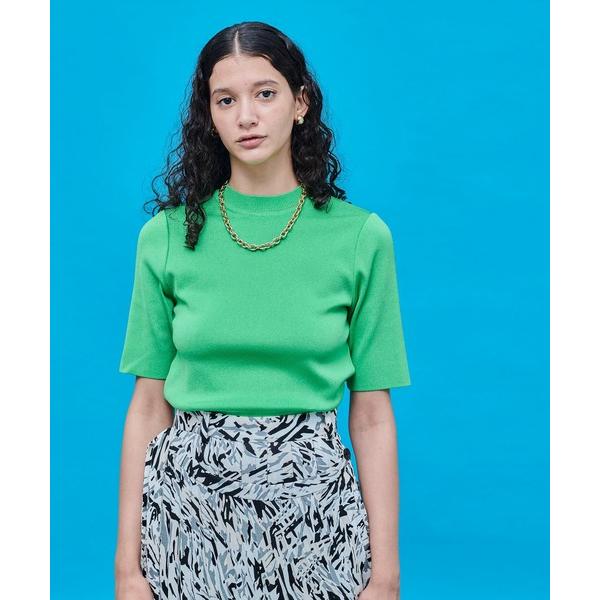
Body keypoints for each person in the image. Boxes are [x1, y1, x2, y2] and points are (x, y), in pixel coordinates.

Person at [114, 20, 411, 600]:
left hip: (317, 523)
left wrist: (386, 574)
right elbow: (148, 406)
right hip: (187, 520)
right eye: (225, 100)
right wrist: (128, 570)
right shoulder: (166, 237)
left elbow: (373, 414)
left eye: (265, 93)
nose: (246, 116)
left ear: (301, 102)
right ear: (209, 116)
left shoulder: (361, 238)